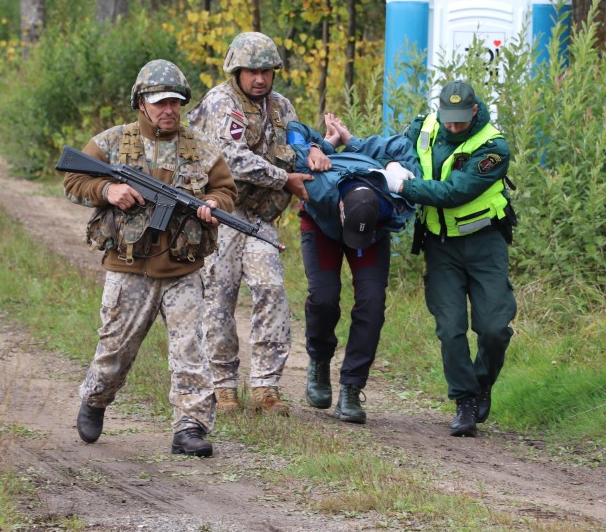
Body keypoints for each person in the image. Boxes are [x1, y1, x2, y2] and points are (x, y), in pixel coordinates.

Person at [64, 59, 238, 457]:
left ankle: (190, 426)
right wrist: (109, 192)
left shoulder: (202, 150)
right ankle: (95, 399)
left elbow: (227, 191)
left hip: (183, 269)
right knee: (115, 349)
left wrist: (213, 202)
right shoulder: (111, 142)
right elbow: (73, 180)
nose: (169, 110)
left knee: (191, 350)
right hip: (129, 269)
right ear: (141, 102)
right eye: (160, 102)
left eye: (176, 103)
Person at [188, 32, 327, 415]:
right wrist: (284, 179)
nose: (260, 78)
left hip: (261, 216)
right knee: (220, 296)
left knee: (271, 289)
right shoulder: (221, 102)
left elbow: (298, 144)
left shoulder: (281, 106)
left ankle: (266, 386)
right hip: (222, 213)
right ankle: (224, 385)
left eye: (266, 70)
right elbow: (229, 157)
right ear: (236, 70)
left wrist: (316, 148)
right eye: (252, 71)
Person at [393, 80, 517, 438]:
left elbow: (455, 191)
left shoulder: (493, 146)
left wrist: (405, 186)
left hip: (485, 244)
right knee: (450, 328)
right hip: (440, 245)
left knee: (494, 327)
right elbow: (401, 152)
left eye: (461, 120)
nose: (453, 126)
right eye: (449, 119)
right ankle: (464, 400)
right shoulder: (424, 127)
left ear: (475, 110)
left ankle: (482, 382)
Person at [286, 116, 419, 424]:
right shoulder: (319, 186)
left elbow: (402, 145)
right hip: (322, 222)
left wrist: (353, 141)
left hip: (370, 231)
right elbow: (294, 126)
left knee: (372, 303)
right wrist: (313, 148)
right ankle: (319, 359)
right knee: (324, 297)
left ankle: (351, 386)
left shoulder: (396, 202)